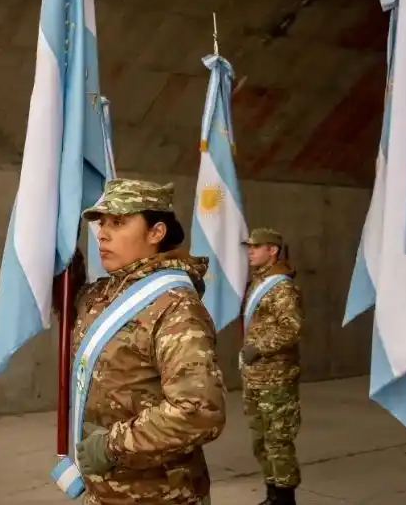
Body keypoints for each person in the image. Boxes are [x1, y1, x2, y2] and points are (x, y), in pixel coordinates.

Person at [63, 178, 227, 505]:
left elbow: (198, 411)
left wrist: (112, 446)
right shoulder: (102, 294)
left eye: (119, 222)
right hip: (103, 489)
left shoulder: (175, 306)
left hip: (158, 493)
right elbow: (68, 309)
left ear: (156, 233)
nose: (103, 233)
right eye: (102, 223)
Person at [240, 228, 303, 505]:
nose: (250, 251)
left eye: (257, 247)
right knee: (260, 441)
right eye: (250, 247)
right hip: (255, 376)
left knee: (278, 441)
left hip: (276, 378)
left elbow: (292, 328)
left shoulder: (281, 287)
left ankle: (285, 499)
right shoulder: (259, 282)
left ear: (273, 250)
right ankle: (272, 494)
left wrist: (259, 347)